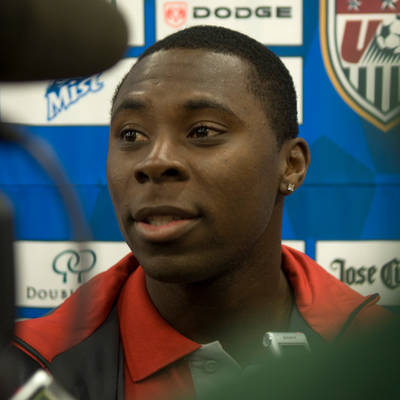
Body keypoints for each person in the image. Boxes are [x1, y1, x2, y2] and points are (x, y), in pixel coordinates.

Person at [11, 26, 391, 399]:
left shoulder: (380, 359)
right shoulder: (27, 374)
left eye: (203, 131)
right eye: (131, 135)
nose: (154, 161)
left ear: (290, 165)